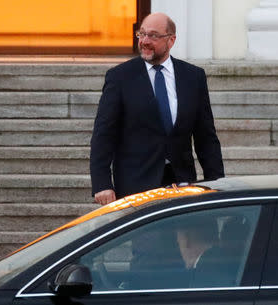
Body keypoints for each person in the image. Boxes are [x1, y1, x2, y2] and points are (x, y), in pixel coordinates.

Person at [90, 12, 224, 205]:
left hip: (182, 183)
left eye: (153, 35)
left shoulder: (193, 77)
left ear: (171, 40)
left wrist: (217, 183)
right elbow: (103, 134)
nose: (144, 41)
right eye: (141, 34)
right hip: (135, 186)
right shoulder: (120, 77)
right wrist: (102, 183)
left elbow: (206, 137)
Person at [176, 216, 238, 287]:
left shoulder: (204, 273)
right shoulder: (227, 261)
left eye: (179, 243)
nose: (180, 250)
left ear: (186, 241)